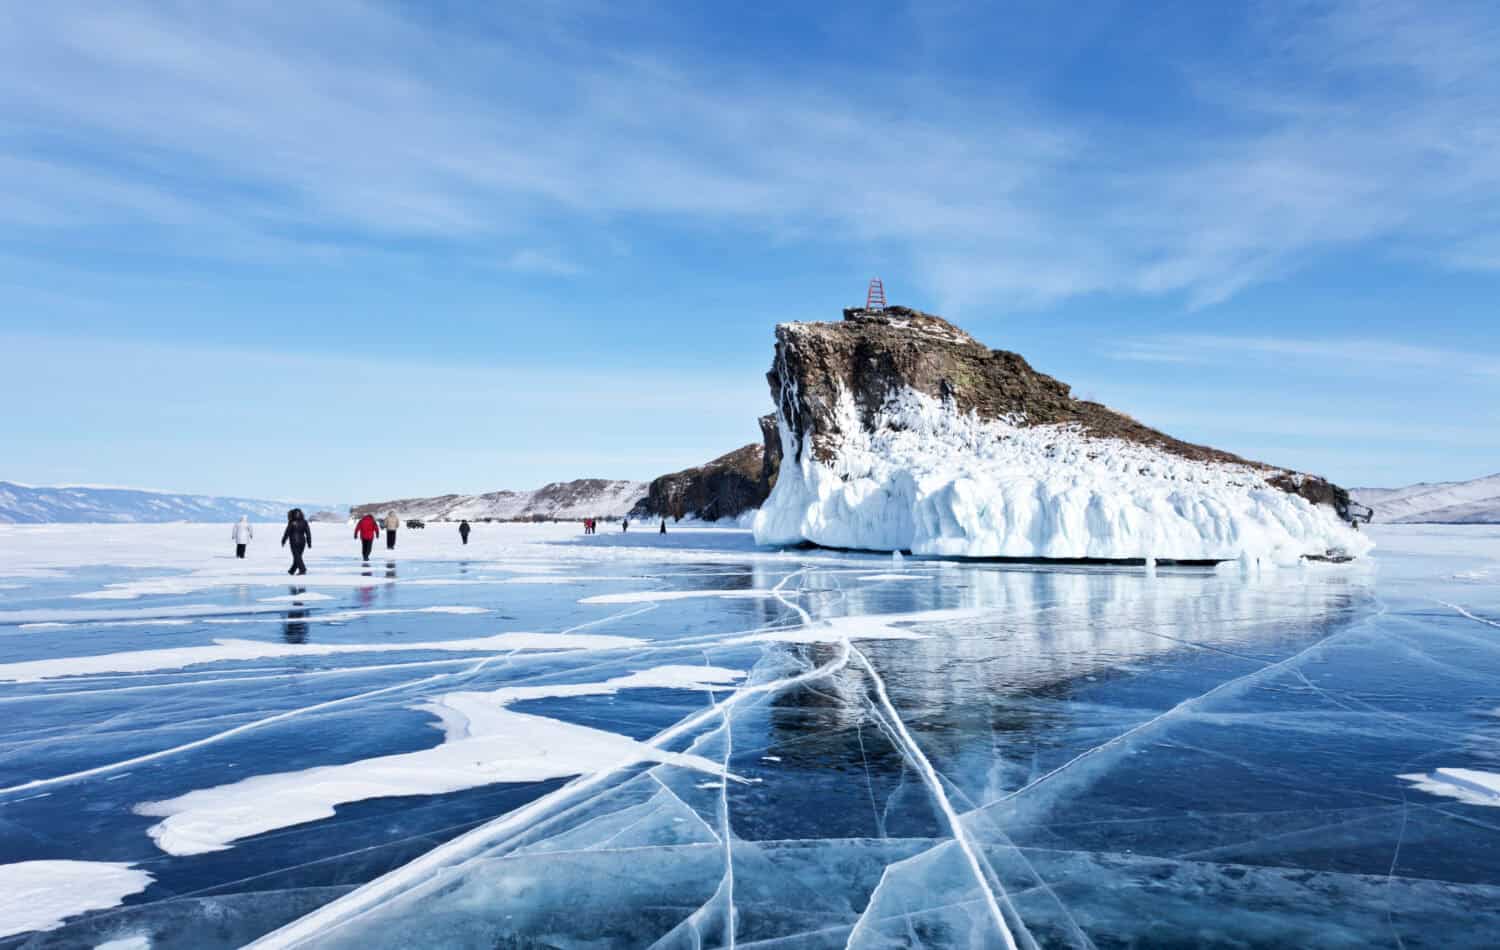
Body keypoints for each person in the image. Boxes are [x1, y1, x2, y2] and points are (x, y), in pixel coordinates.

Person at [280, 509, 312, 575]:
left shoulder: (292, 522)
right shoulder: (304, 522)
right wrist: (309, 542)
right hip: (302, 541)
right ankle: (292, 570)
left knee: (297, 557)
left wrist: (283, 540)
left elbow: (287, 532)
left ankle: (303, 569)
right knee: (298, 557)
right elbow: (308, 533)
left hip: (294, 542)